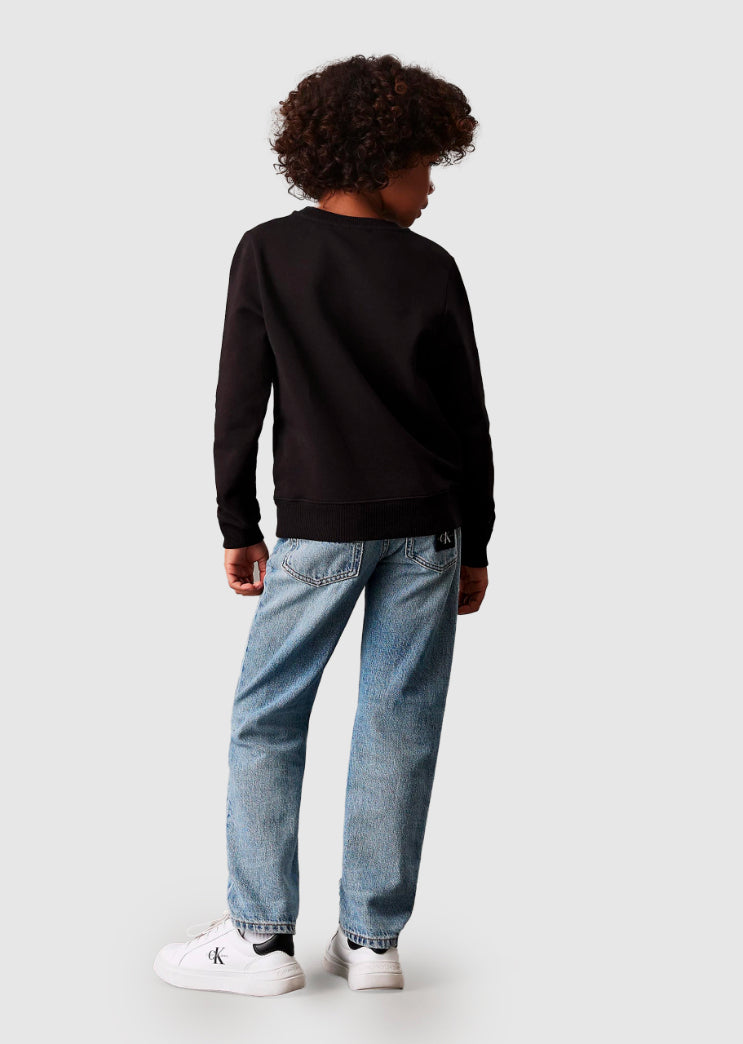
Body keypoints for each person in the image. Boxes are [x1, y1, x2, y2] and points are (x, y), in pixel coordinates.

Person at [154, 53, 495, 997]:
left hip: (321, 533)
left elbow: (239, 400)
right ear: (378, 158)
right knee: (400, 723)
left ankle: (262, 942)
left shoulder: (269, 251)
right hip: (429, 533)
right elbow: (467, 418)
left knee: (269, 717)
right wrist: (476, 541)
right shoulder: (430, 267)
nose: (430, 187)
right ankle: (373, 944)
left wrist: (237, 523)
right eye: (423, 165)